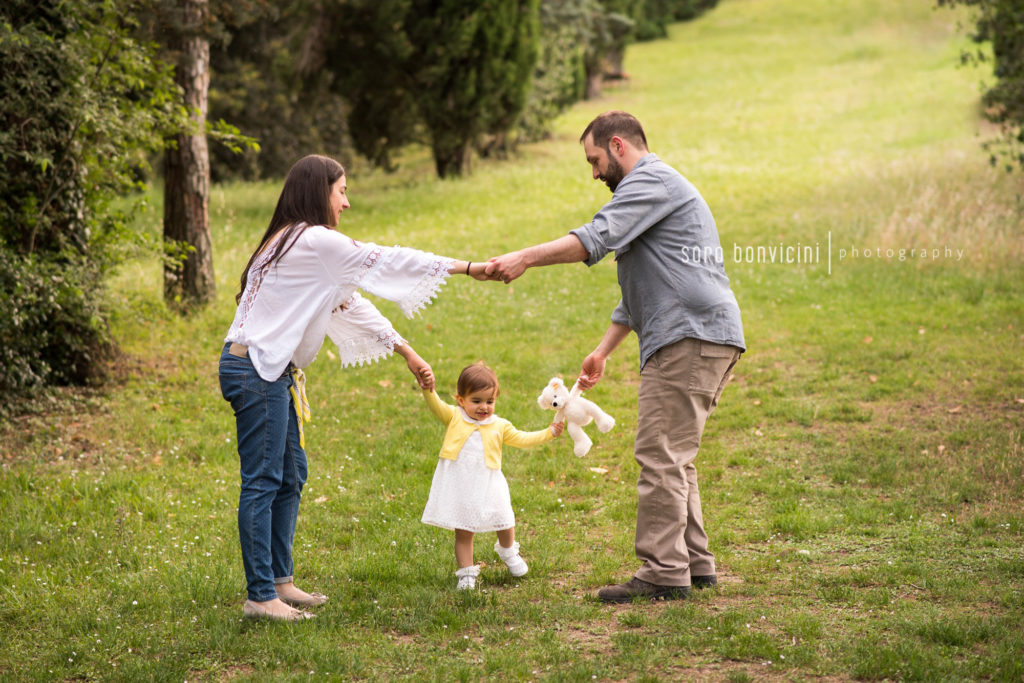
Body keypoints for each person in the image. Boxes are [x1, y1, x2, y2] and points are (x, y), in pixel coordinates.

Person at [485, 111, 745, 603]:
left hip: (688, 335)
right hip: (703, 333)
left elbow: (593, 239)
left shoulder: (650, 181)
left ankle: (664, 572)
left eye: (595, 160)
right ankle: (694, 563)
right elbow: (640, 290)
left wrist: (524, 257)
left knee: (659, 453)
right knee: (677, 456)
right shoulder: (656, 192)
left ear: (619, 145)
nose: (594, 173)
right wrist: (603, 350)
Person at [219, 154, 489, 621]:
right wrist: (468, 267)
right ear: (319, 191)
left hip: (266, 370)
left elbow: (349, 304)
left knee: (291, 474)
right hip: (256, 372)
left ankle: (279, 581)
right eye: (341, 190)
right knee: (263, 481)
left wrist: (406, 351)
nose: (347, 201)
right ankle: (260, 596)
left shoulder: (290, 240)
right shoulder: (315, 240)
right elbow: (388, 259)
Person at [420, 362, 564, 590]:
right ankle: (466, 573)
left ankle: (508, 551)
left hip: (489, 482)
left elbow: (522, 438)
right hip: (462, 484)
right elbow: (435, 404)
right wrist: (428, 388)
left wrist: (549, 433)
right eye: (476, 401)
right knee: (464, 529)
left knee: (505, 519)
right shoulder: (454, 417)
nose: (484, 407)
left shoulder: (499, 425)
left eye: (490, 401)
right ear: (461, 400)